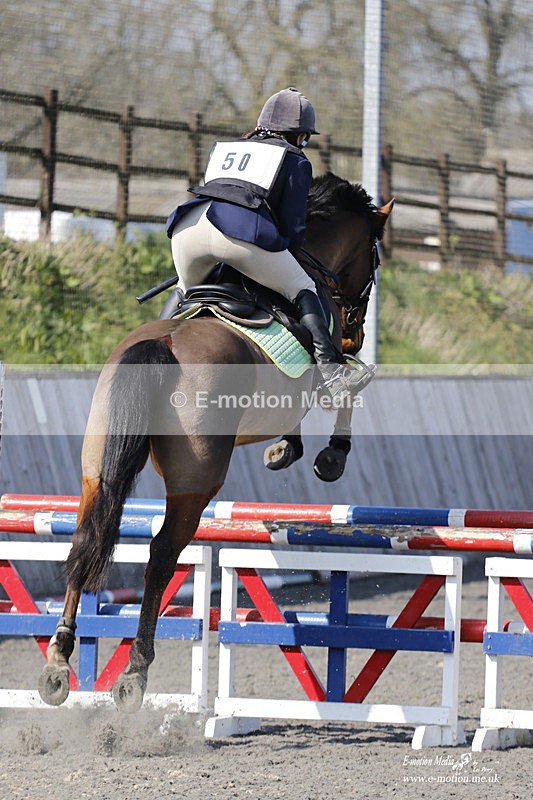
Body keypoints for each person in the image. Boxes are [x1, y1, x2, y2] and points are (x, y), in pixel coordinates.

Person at [165, 87, 371, 399]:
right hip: (234, 234)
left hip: (188, 226)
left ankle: (153, 345)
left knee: (184, 294)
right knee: (305, 288)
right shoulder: (294, 159)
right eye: (305, 137)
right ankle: (331, 375)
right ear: (300, 135)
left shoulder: (226, 148)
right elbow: (291, 228)